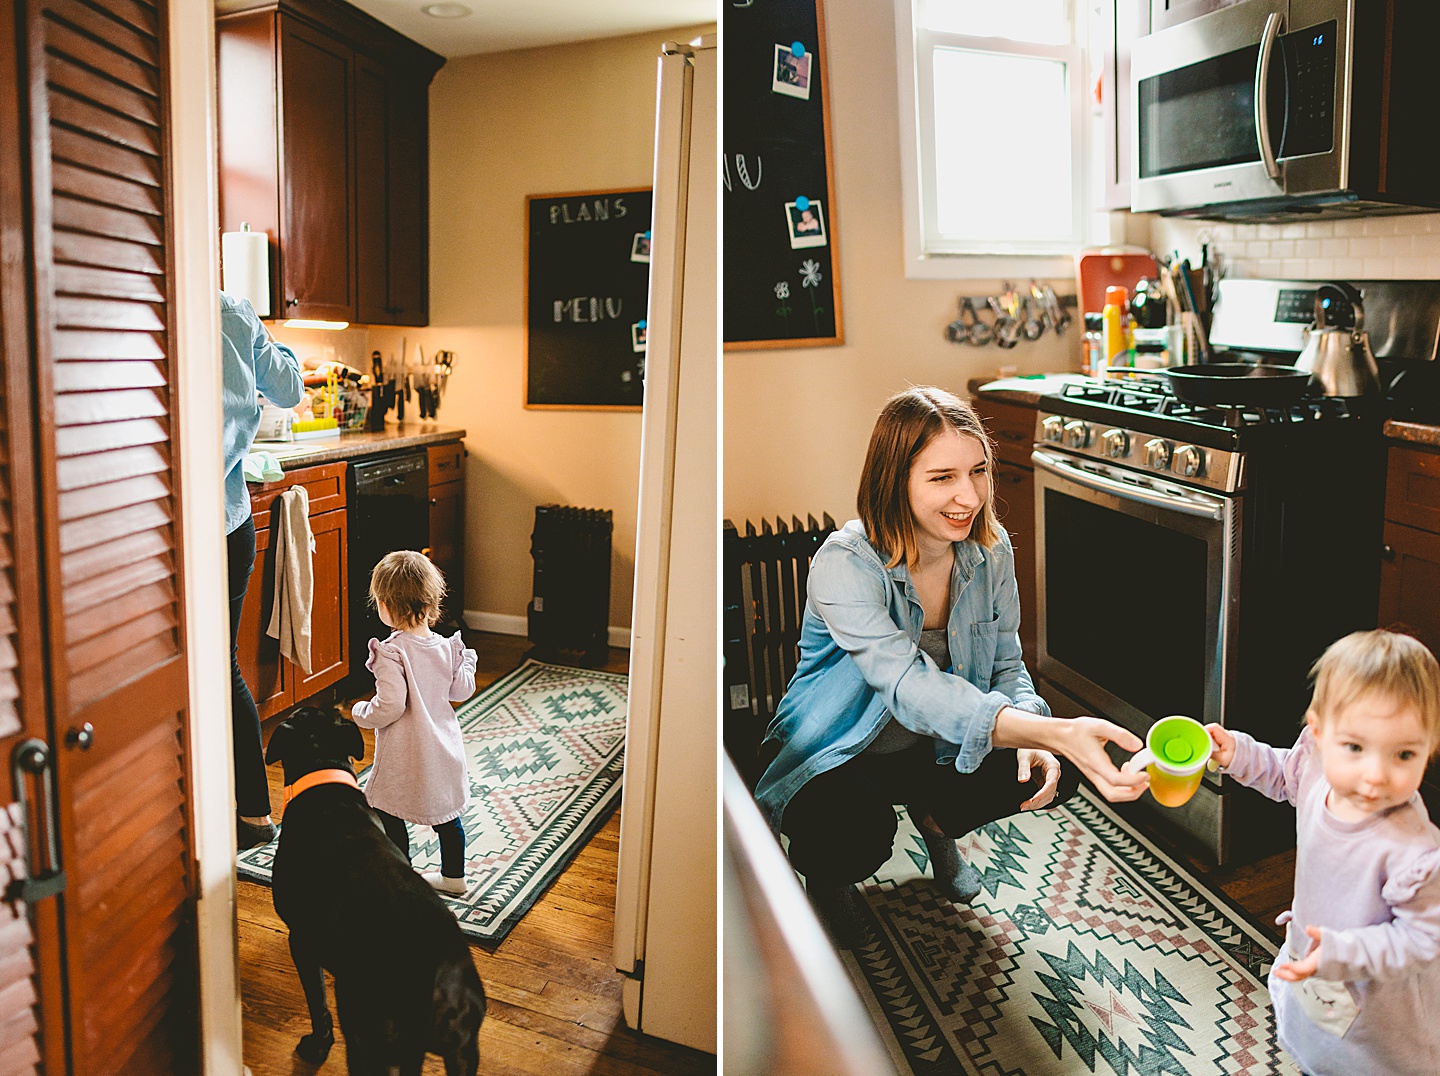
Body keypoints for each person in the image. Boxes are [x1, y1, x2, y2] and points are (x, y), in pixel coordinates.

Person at [754, 386, 1149, 947]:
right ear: (896, 481)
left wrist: (1033, 725)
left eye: (979, 472)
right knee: (851, 834)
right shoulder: (844, 564)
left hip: (934, 747)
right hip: (841, 750)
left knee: (1056, 771)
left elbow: (1008, 663)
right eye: (942, 478)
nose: (968, 495)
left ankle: (937, 824)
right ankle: (829, 881)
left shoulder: (992, 550)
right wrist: (1051, 728)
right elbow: (910, 688)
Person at [1203, 630, 1440, 1076]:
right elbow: (1282, 776)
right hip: (1316, 959)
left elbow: (1422, 940)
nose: (1375, 776)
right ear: (1318, 731)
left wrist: (1339, 951)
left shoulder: (1417, 855)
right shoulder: (1315, 763)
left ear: (1429, 748)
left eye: (1404, 754)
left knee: (1364, 1060)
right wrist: (1236, 753)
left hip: (1377, 999)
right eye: (1354, 747)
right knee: (1317, 1040)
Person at [223, 290, 303, 849]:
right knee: (220, 668)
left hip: (157, 532)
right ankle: (253, 813)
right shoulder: (232, 309)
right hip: (228, 523)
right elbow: (290, 388)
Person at [350, 550, 478, 895]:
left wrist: (361, 713)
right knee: (447, 817)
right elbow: (462, 690)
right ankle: (454, 878)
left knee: (390, 813)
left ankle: (401, 879)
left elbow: (390, 705)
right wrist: (468, 661)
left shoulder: (391, 652)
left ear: (387, 606)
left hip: (406, 750)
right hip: (444, 746)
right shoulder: (448, 647)